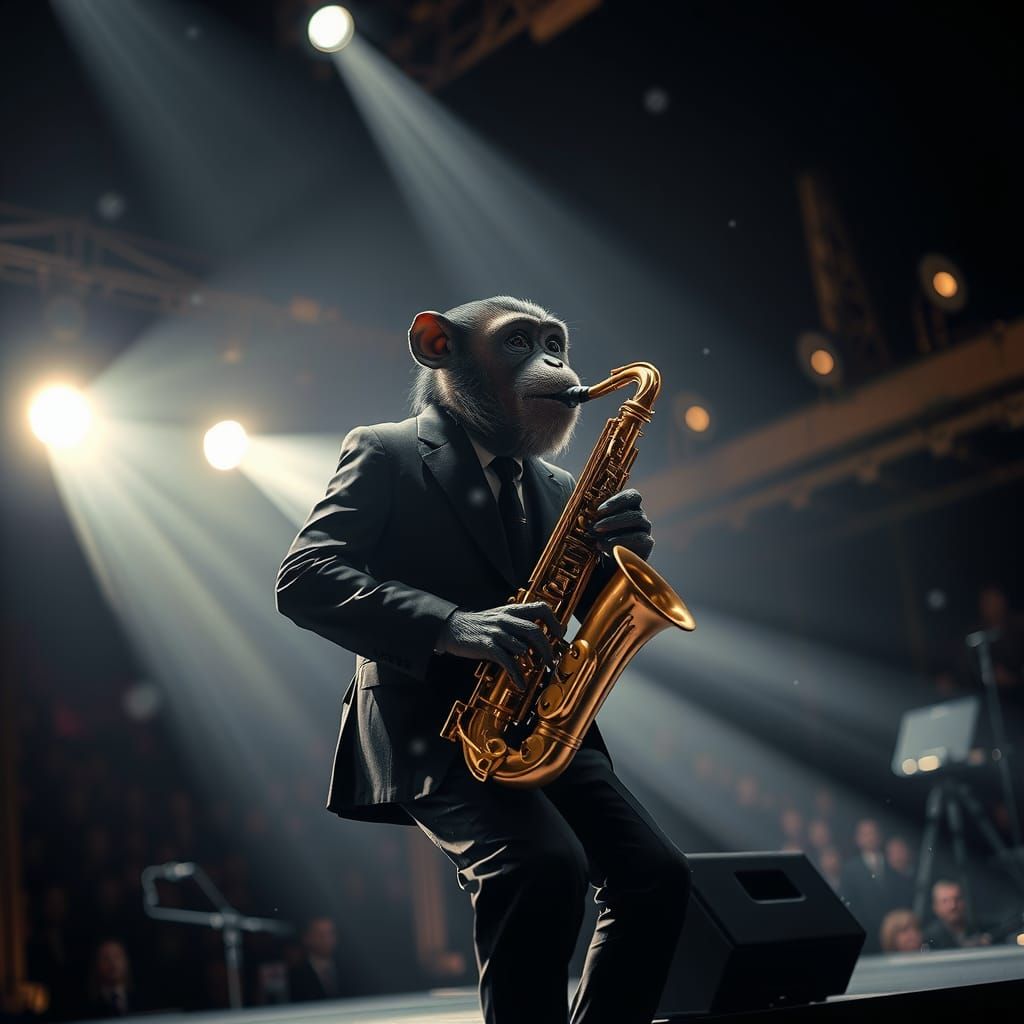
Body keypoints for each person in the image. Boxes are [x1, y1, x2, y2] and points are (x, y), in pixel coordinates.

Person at [277, 298, 691, 1024]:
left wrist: (619, 557)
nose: (556, 364)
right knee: (539, 868)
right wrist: (451, 625)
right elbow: (305, 577)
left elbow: (572, 599)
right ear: (441, 348)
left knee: (655, 877)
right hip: (426, 719)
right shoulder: (384, 448)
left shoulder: (561, 487)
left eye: (557, 342)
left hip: (541, 720)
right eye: (522, 343)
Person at [839, 819, 889, 953]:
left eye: (872, 833)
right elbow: (849, 903)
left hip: (893, 932)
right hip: (867, 935)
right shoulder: (849, 869)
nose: (870, 838)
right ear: (858, 839)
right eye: (865, 834)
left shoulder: (892, 862)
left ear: (880, 836)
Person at [922, 880, 991, 950]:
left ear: (964, 902)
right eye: (945, 901)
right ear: (935, 907)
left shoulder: (981, 929)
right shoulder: (929, 939)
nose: (953, 906)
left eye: (957, 899)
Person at [288, 917, 343, 1001]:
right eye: (320, 934)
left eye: (330, 933)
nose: (326, 939)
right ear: (306, 938)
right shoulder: (295, 974)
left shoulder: (350, 969)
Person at [81, 939, 137, 1018]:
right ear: (96, 964)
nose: (112, 962)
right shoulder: (85, 1005)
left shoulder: (144, 999)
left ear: (126, 961)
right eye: (105, 958)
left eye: (117, 956)